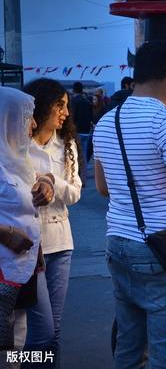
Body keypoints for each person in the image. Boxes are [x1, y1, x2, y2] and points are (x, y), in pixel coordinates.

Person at [92, 41, 166, 367]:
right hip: (163, 251)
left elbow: (103, 188)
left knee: (129, 350)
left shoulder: (107, 121)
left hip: (117, 243)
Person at [22, 79, 82, 367]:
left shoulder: (66, 144)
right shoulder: (16, 143)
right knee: (41, 332)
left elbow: (75, 192)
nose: (65, 113)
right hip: (27, 246)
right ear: (42, 106)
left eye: (67, 106)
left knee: (53, 331)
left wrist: (51, 181)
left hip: (61, 243)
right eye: (60, 105)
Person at [0, 87, 54, 362]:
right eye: (27, 118)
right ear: (6, 118)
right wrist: (6, 234)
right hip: (5, 267)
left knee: (23, 340)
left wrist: (46, 185)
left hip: (27, 265)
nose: (33, 124)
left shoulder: (17, 157)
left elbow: (42, 176)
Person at [69, 82, 92, 164]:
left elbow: (72, 116)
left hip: (77, 131)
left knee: (75, 155)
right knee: (84, 156)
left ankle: (77, 175)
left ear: (73, 90)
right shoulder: (87, 101)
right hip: (86, 131)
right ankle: (84, 176)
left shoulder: (73, 101)